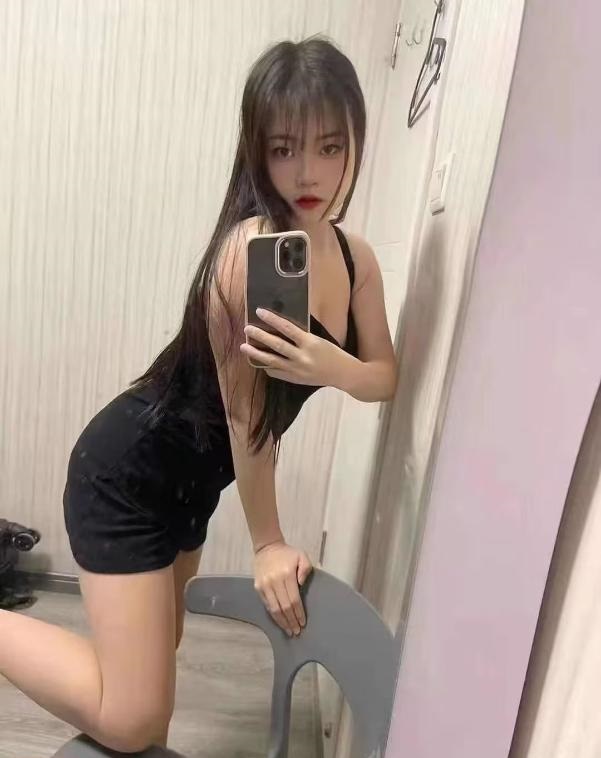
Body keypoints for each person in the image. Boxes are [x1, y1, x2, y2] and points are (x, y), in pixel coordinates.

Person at [0, 37, 396, 753]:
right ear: (256, 151)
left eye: (330, 147)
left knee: (155, 666)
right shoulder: (249, 253)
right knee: (134, 720)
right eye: (284, 149)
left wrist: (326, 363)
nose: (308, 172)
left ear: (355, 145)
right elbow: (247, 418)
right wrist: (268, 542)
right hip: (127, 474)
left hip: (191, 486)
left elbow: (383, 376)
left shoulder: (353, 258)